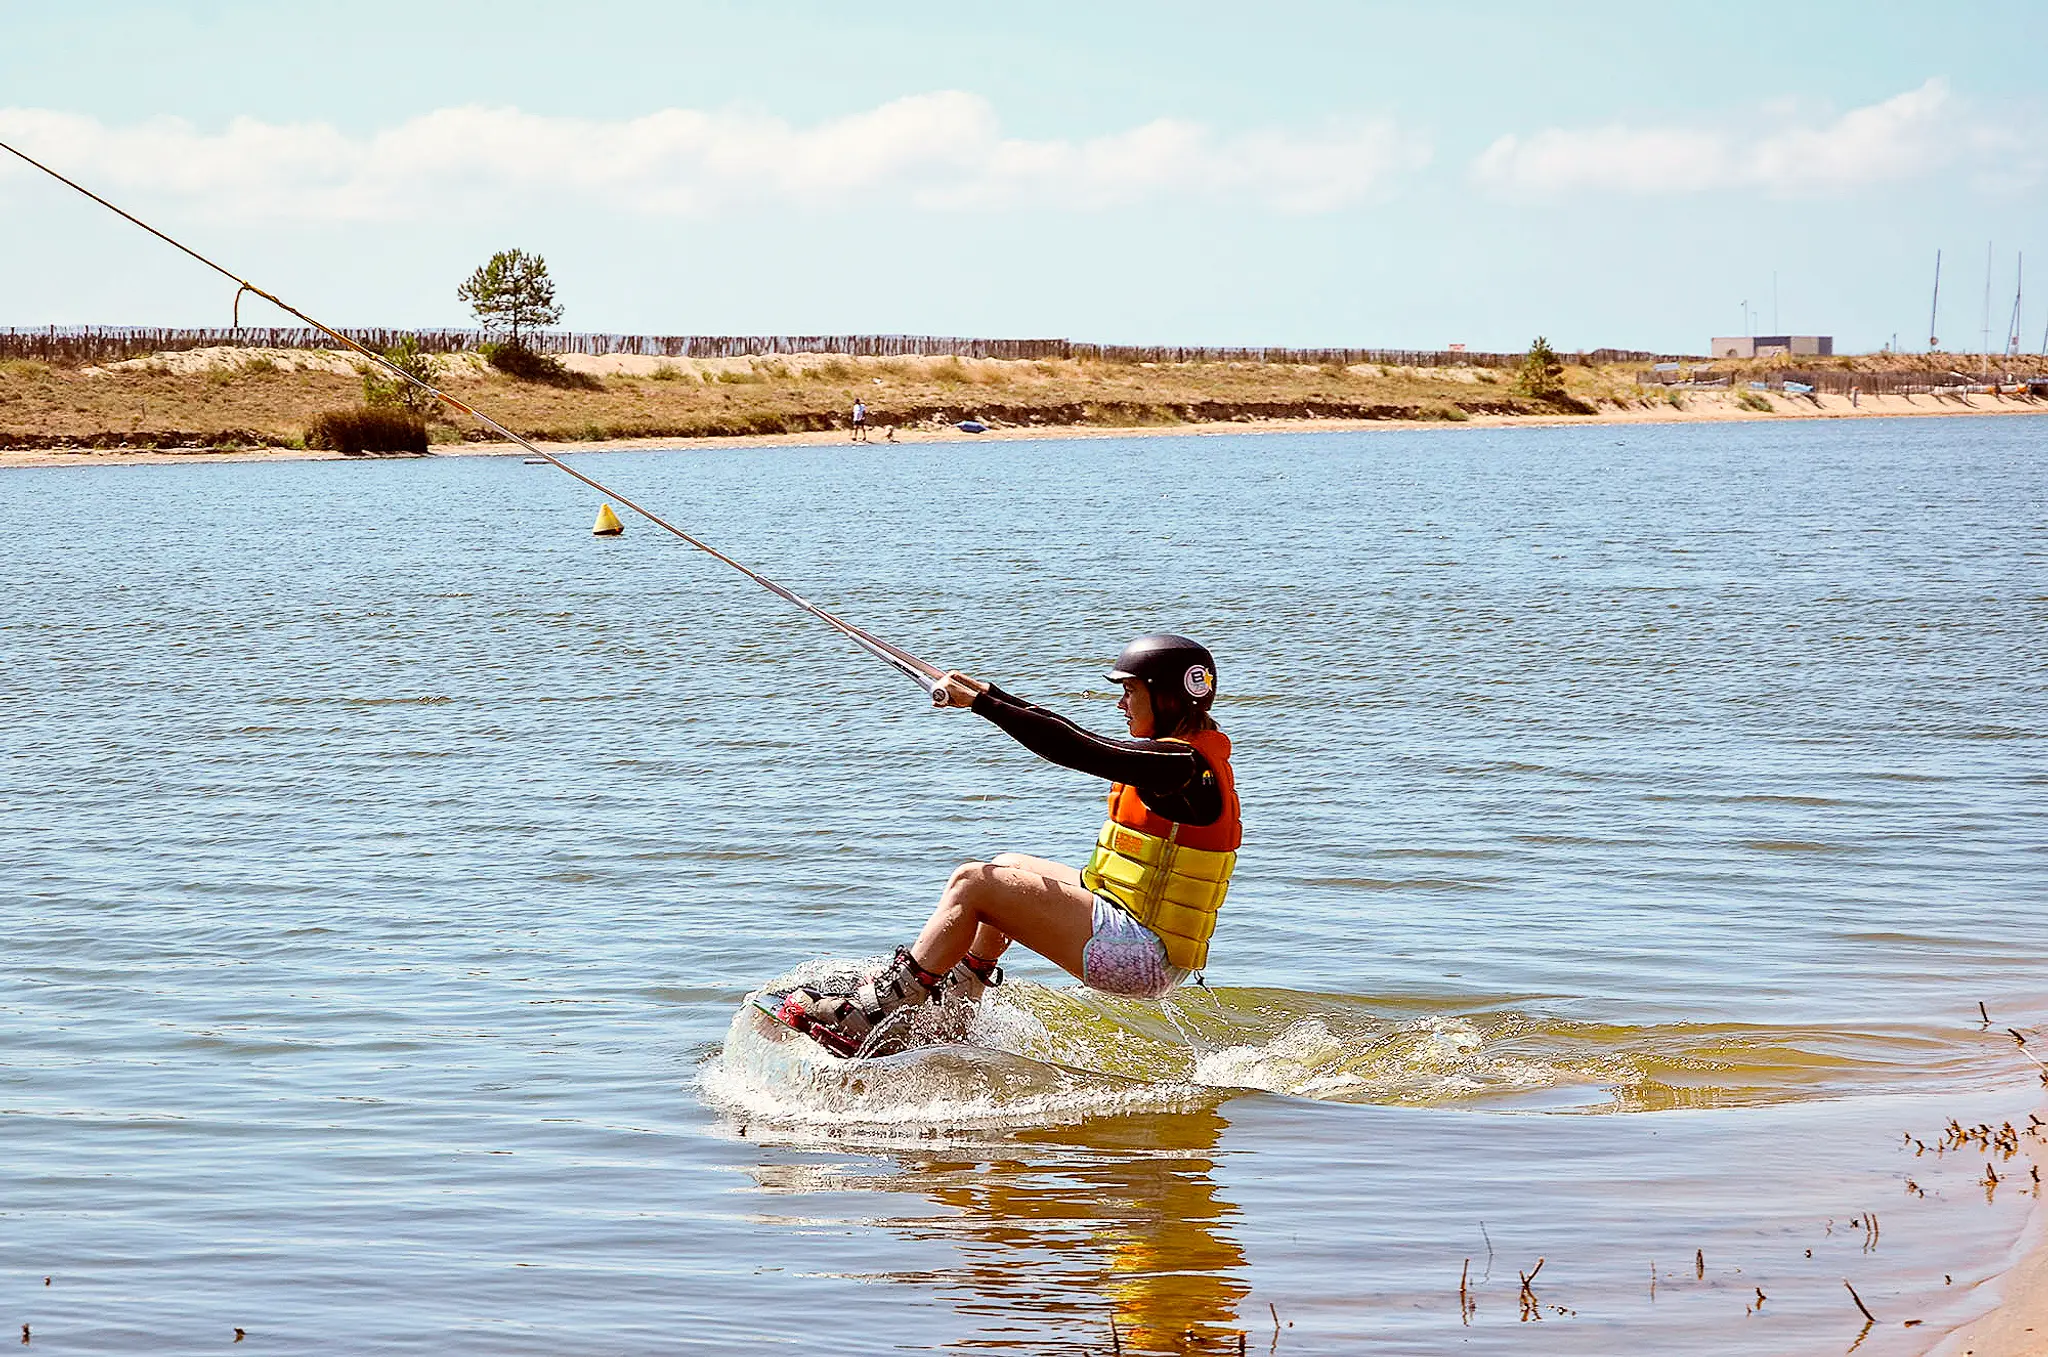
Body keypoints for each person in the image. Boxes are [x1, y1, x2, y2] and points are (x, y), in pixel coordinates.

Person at [776, 634, 1242, 1055]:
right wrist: (989, 695)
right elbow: (1075, 736)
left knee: (973, 883)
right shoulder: (1179, 755)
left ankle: (876, 1017)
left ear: (1165, 696)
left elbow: (1078, 748)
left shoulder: (1179, 764)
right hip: (1129, 927)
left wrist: (984, 705)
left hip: (1139, 959)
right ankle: (953, 1011)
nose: (1121, 704)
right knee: (1006, 866)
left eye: (1129, 691)